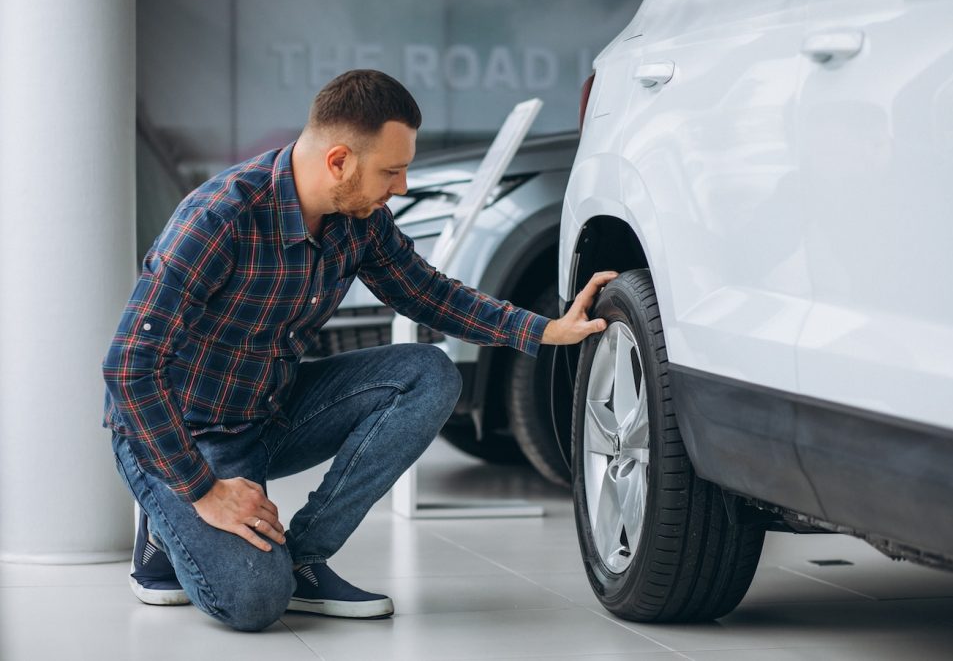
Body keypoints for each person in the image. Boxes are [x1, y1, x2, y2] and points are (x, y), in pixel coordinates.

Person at [102, 69, 616, 632]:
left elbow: (426, 293)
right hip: (182, 436)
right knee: (253, 603)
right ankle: (165, 529)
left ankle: (302, 555)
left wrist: (543, 329)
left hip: (265, 412)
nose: (399, 187)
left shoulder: (359, 220)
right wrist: (202, 490)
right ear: (339, 160)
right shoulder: (220, 218)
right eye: (391, 171)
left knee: (428, 373)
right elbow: (128, 366)